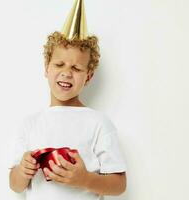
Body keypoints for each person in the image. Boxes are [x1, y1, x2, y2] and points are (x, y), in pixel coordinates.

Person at [8, 0, 127, 199]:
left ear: (88, 76)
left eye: (76, 68)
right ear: (47, 67)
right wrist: (22, 170)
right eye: (59, 64)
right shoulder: (30, 124)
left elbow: (119, 184)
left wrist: (85, 180)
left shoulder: (98, 123)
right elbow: (15, 185)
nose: (66, 73)